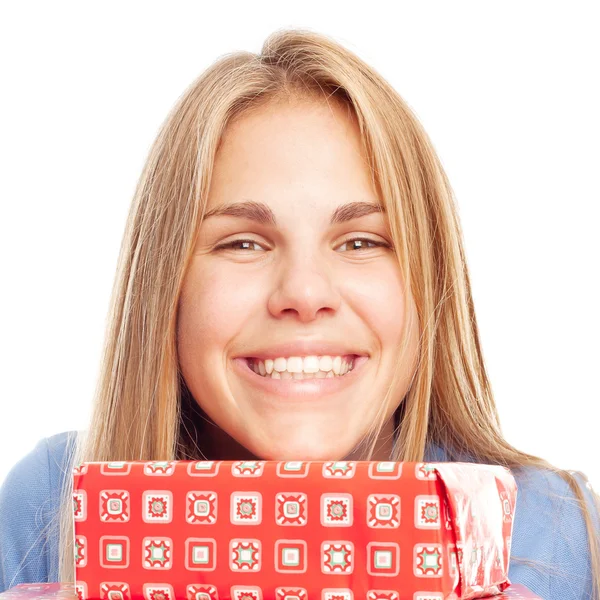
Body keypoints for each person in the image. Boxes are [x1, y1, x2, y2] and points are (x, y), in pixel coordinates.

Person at [0, 28, 598, 599]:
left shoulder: (556, 533)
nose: (305, 293)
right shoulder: (49, 504)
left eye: (362, 242)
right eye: (243, 243)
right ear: (166, 287)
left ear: (429, 282)